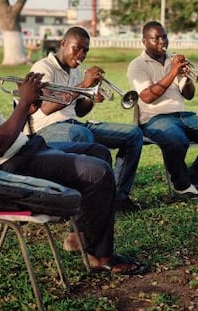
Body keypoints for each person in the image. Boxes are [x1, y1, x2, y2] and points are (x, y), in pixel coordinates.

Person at [0, 33, 147, 275]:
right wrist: (23, 103)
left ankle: (78, 235)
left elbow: (4, 134)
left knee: (99, 152)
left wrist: (27, 108)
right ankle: (101, 255)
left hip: (26, 148)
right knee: (99, 173)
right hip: (11, 168)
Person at [29, 26, 143, 212]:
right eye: (77, 48)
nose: (81, 54)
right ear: (63, 44)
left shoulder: (75, 70)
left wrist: (91, 97)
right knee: (81, 134)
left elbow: (79, 111)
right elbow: (47, 108)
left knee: (133, 134)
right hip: (47, 129)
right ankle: (87, 203)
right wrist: (83, 85)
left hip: (76, 125)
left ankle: (118, 196)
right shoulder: (43, 67)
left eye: (86, 50)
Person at [127, 21, 198, 198]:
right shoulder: (137, 65)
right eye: (156, 38)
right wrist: (173, 72)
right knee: (177, 140)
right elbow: (147, 96)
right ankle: (182, 185)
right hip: (154, 119)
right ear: (144, 41)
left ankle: (192, 180)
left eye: (164, 36)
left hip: (183, 115)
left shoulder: (172, 60)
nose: (162, 41)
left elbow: (188, 95)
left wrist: (186, 77)